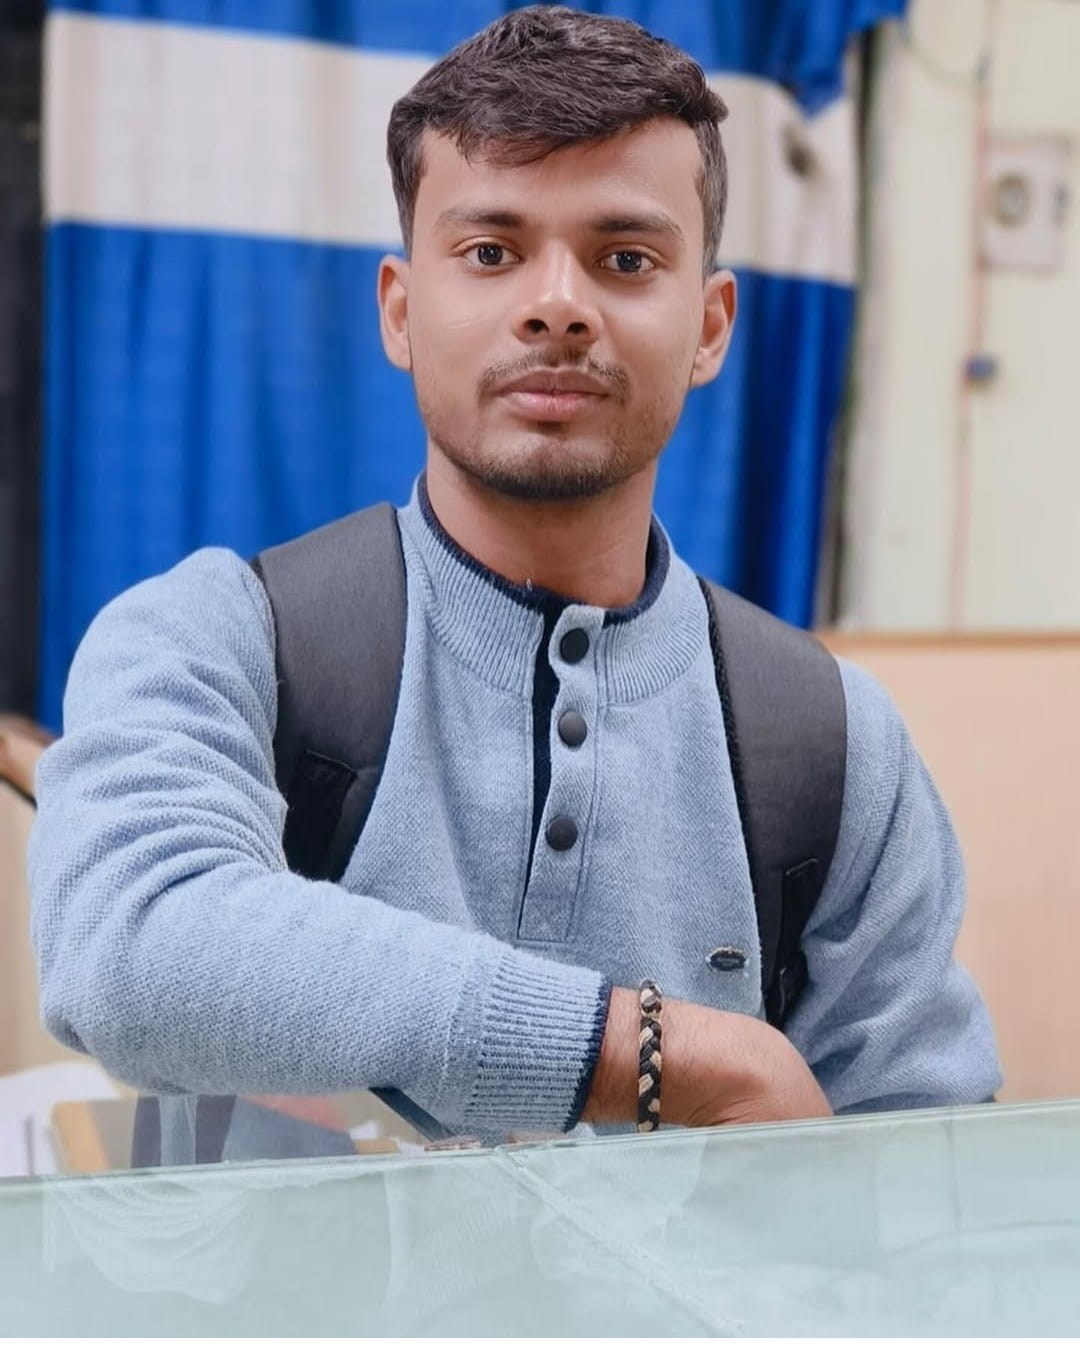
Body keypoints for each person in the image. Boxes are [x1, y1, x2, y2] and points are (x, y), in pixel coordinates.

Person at [29, 6, 1000, 1140]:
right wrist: (655, 1055)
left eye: (625, 259)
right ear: (401, 310)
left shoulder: (835, 746)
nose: (558, 306)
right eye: (491, 252)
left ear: (710, 325)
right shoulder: (210, 637)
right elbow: (128, 945)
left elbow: (922, 1177)